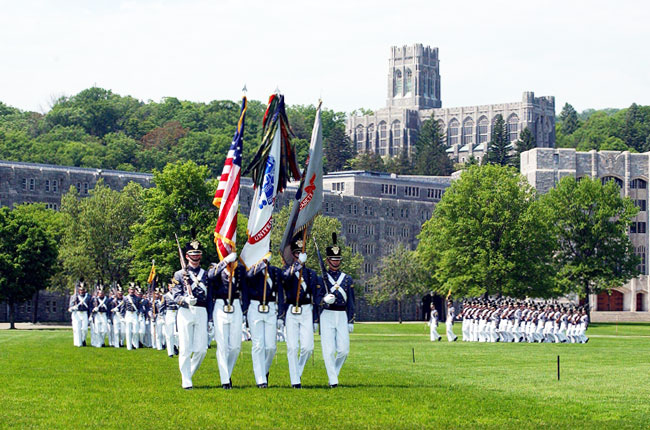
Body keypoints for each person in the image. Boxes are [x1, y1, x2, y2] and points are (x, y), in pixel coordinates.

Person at [279, 238, 319, 388]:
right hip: (291, 309)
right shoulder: (286, 270)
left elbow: (315, 296)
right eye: (296, 254)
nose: (298, 256)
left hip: (306, 310)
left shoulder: (311, 274)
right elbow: (285, 278)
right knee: (292, 347)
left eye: (301, 254)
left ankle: (298, 371)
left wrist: (315, 319)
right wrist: (297, 265)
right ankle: (295, 380)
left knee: (308, 348)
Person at [173, 239, 212, 390]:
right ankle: (186, 380)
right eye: (192, 254)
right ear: (187, 256)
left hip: (201, 311)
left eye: (198, 254)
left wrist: (209, 318)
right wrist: (185, 300)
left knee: (202, 349)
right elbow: (176, 296)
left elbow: (209, 298)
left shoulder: (206, 275)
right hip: (185, 312)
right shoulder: (179, 274)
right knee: (185, 348)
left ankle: (188, 373)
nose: (195, 258)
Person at [316, 233, 354, 388]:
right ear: (327, 260)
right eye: (333, 259)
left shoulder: (347, 279)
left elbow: (351, 301)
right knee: (329, 350)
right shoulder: (321, 279)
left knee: (344, 350)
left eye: (338, 260)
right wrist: (324, 300)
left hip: (342, 315)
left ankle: (334, 373)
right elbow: (316, 300)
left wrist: (351, 319)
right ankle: (333, 381)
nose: (336, 262)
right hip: (327, 314)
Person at [243, 256, 285, 388]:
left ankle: (264, 370)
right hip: (255, 307)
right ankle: (260, 379)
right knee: (258, 345)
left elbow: (280, 293)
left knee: (271, 347)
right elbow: (247, 279)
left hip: (271, 307)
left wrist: (281, 315)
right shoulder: (251, 271)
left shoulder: (275, 272)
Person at [208, 251, 245, 390]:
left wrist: (245, 310)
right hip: (220, 305)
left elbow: (245, 289)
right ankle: (225, 380)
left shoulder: (239, 268)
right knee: (222, 345)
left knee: (235, 346)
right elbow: (210, 276)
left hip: (235, 304)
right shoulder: (215, 267)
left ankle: (227, 372)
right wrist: (224, 262)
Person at [68, 282, 91, 347]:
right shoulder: (74, 296)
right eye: (81, 290)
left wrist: (90, 315)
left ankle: (83, 339)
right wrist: (73, 308)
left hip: (84, 313)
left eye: (83, 290)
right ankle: (79, 343)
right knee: (77, 329)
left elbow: (90, 306)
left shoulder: (88, 297)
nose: (82, 291)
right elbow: (70, 306)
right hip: (77, 313)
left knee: (84, 329)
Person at [163, 281, 179, 357]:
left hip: (177, 313)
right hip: (169, 314)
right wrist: (162, 317)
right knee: (169, 334)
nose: (172, 288)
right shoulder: (165, 296)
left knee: (177, 334)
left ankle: (175, 345)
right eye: (170, 287)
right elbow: (162, 307)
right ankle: (170, 352)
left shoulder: (177, 295)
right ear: (168, 287)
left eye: (173, 287)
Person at [123, 283, 141, 350]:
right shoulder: (125, 298)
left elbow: (139, 307)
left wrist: (140, 314)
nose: (132, 291)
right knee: (128, 331)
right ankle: (129, 346)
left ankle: (135, 344)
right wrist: (122, 317)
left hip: (134, 314)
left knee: (136, 331)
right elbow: (123, 307)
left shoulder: (137, 298)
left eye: (133, 289)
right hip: (128, 314)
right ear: (128, 290)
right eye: (131, 289)